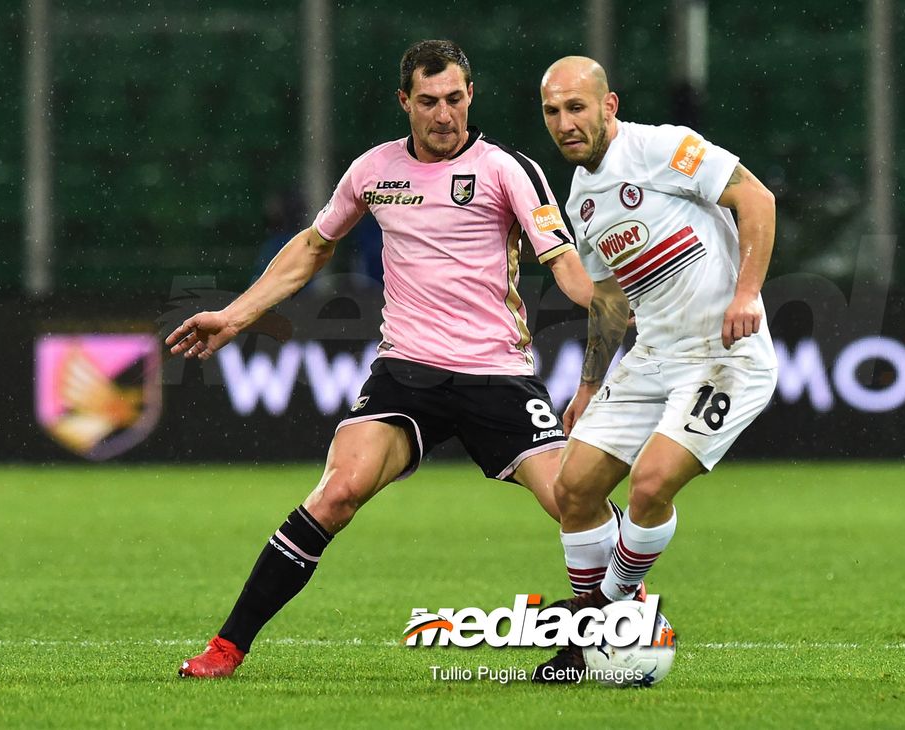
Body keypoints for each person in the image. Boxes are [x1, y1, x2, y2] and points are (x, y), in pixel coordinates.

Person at [165, 40, 595, 678]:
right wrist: (235, 315)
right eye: (428, 101)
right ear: (404, 101)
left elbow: (563, 263)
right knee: (335, 494)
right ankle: (226, 649)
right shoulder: (374, 171)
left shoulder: (508, 170)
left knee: (573, 499)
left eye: (454, 99)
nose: (443, 115)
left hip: (496, 374)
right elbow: (314, 247)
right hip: (406, 373)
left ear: (470, 96)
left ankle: (621, 617)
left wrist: (614, 308)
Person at [532, 56, 779, 682]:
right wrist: (588, 386)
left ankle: (595, 617)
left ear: (608, 105)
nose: (565, 123)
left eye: (577, 107)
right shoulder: (581, 199)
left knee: (648, 485)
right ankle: (602, 626)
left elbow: (756, 197)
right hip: (652, 358)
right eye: (553, 112)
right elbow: (611, 300)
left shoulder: (663, 148)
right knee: (572, 489)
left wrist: (747, 293)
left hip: (722, 356)